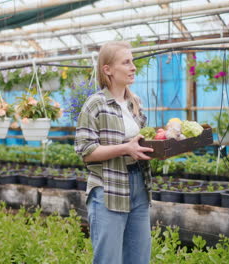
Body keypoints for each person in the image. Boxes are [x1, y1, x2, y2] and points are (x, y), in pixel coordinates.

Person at [74, 41, 154, 264]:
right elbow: (86, 151)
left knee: (139, 258)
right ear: (107, 69)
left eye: (133, 61)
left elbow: (140, 142)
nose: (133, 67)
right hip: (108, 189)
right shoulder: (95, 104)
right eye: (126, 62)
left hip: (139, 185)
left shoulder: (134, 103)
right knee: (108, 259)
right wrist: (126, 148)